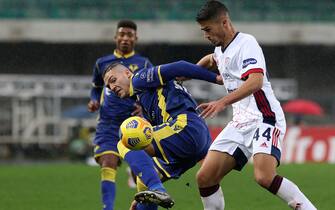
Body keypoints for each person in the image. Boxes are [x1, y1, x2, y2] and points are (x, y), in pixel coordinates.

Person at [194, 1, 317, 210]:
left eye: (208, 29)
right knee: (205, 177)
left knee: (264, 176)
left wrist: (222, 102)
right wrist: (190, 72)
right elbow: (212, 59)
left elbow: (255, 81)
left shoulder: (246, 43)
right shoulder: (220, 49)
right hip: (240, 123)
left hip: (265, 118)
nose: (205, 34)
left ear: (224, 22)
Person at [103, 60, 222, 209]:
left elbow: (179, 66)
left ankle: (157, 189)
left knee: (125, 140)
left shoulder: (139, 78)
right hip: (199, 138)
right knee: (143, 183)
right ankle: (149, 199)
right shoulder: (145, 95)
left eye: (113, 80)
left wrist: (216, 79)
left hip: (185, 128)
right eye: (108, 86)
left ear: (127, 73)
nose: (112, 87)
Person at [87, 20, 155, 210]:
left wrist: (142, 107)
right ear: (116, 37)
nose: (125, 38)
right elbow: (96, 87)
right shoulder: (102, 63)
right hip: (108, 124)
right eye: (122, 34)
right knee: (108, 162)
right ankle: (108, 208)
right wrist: (93, 100)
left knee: (139, 172)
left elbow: (152, 89)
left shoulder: (144, 63)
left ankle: (140, 203)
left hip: (134, 124)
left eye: (129, 35)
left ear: (136, 38)